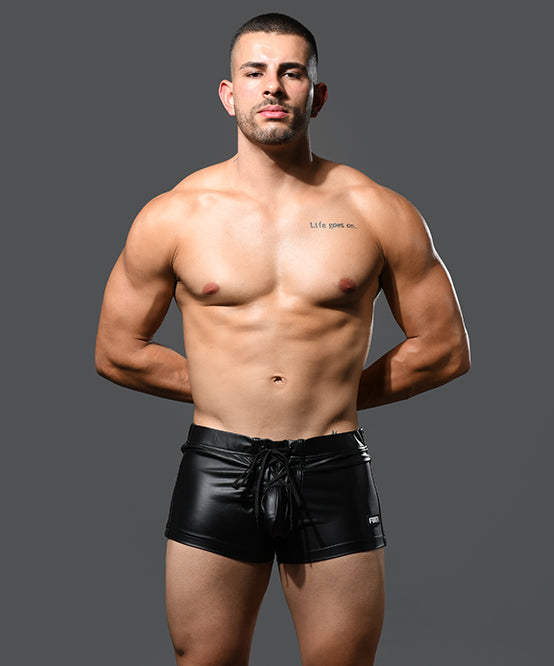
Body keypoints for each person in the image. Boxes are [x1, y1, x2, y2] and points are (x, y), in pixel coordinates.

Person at [95, 12, 470, 666]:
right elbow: (117, 350)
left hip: (331, 465)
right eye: (255, 72)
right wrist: (228, 389)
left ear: (316, 95)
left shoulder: (377, 210)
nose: (272, 86)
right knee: (203, 659)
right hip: (219, 464)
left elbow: (443, 348)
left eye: (291, 72)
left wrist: (327, 392)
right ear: (228, 94)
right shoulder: (174, 215)